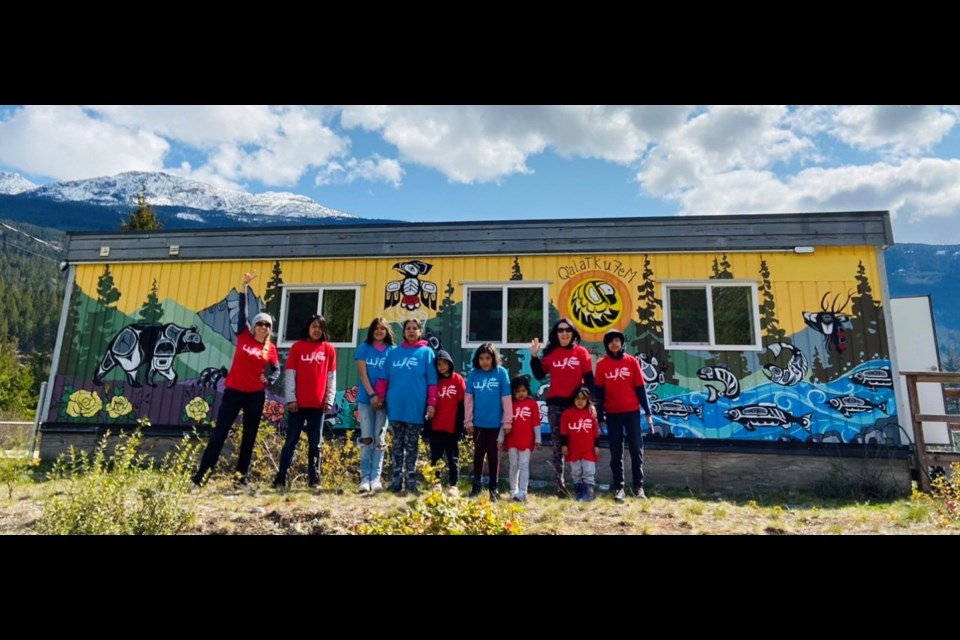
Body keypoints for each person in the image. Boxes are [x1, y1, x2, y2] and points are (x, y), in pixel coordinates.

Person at [192, 272, 280, 488]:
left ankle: (240, 480)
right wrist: (243, 288)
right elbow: (243, 313)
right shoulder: (244, 335)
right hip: (234, 392)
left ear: (269, 330)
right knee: (219, 434)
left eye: (267, 326)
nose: (263, 328)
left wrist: (268, 380)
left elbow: (277, 370)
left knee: (248, 439)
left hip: (255, 395)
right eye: (260, 324)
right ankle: (200, 479)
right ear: (254, 326)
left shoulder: (270, 348)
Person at [530, 318, 594, 498]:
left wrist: (592, 404)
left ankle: (582, 485)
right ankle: (560, 486)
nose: (564, 333)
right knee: (559, 447)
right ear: (555, 334)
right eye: (560, 330)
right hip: (556, 406)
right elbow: (539, 374)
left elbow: (589, 380)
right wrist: (534, 356)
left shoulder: (581, 352)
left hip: (577, 405)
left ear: (573, 333)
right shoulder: (551, 354)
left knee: (579, 445)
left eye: (568, 330)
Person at [272, 314, 337, 490]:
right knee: (291, 441)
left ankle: (314, 479)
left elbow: (332, 378)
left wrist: (329, 400)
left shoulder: (329, 349)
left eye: (320, 327)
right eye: (314, 326)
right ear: (308, 328)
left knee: (315, 444)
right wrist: (291, 399)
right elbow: (290, 374)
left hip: (318, 406)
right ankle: (281, 478)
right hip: (297, 405)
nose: (317, 330)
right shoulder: (297, 347)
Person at [374, 318, 437, 494]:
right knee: (396, 444)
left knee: (412, 446)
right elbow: (384, 377)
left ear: (420, 332)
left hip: (415, 408)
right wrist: (379, 397)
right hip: (395, 406)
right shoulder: (394, 353)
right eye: (408, 328)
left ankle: (411, 480)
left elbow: (432, 382)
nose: (411, 331)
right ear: (404, 332)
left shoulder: (426, 353)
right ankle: (395, 480)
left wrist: (432, 403)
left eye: (414, 328)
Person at [594, 329, 654, 502]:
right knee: (616, 451)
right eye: (610, 341)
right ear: (607, 344)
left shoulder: (632, 362)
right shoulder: (602, 365)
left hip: (632, 412)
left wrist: (648, 411)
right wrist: (600, 416)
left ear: (621, 343)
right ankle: (619, 488)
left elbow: (640, 388)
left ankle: (638, 487)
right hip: (612, 414)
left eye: (617, 340)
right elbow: (599, 392)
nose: (614, 343)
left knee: (636, 449)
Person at [465, 343, 512, 501]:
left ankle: (494, 488)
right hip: (478, 425)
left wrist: (507, 422)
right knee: (478, 454)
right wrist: (468, 421)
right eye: (481, 358)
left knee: (493, 456)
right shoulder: (473, 374)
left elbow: (506, 399)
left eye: (488, 358)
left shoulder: (501, 373)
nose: (485, 361)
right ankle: (476, 486)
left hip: (495, 425)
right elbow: (469, 400)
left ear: (494, 358)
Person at [355, 317, 395, 493]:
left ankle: (375, 478)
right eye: (376, 328)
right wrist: (372, 394)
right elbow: (363, 375)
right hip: (366, 399)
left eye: (383, 329)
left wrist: (381, 398)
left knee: (380, 439)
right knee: (367, 438)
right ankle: (364, 478)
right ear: (371, 331)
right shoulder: (364, 348)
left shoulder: (392, 351)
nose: (379, 331)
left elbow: (392, 377)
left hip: (384, 402)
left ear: (387, 332)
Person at [499, 375, 541, 501]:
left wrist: (538, 439)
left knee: (524, 465)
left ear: (528, 390)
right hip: (512, 440)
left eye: (523, 391)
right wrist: (500, 438)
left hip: (527, 441)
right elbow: (504, 422)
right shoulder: (510, 404)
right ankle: (513, 490)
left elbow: (536, 424)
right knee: (514, 465)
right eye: (517, 391)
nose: (520, 394)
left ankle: (523, 492)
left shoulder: (532, 404)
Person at [429, 350, 465, 495]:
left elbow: (463, 403)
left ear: (450, 364)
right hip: (436, 426)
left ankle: (453, 485)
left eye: (444, 363)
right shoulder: (434, 382)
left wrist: (460, 425)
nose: (442, 367)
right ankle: (436, 483)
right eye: (438, 364)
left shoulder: (457, 379)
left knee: (453, 457)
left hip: (452, 426)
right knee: (436, 456)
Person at [560, 387, 600, 501]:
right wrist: (564, 445)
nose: (580, 401)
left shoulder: (591, 413)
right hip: (573, 449)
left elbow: (595, 431)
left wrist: (596, 445)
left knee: (589, 470)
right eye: (577, 398)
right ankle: (579, 493)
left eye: (583, 398)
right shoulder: (567, 414)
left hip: (588, 449)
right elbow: (563, 431)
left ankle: (589, 494)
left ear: (588, 400)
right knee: (576, 472)